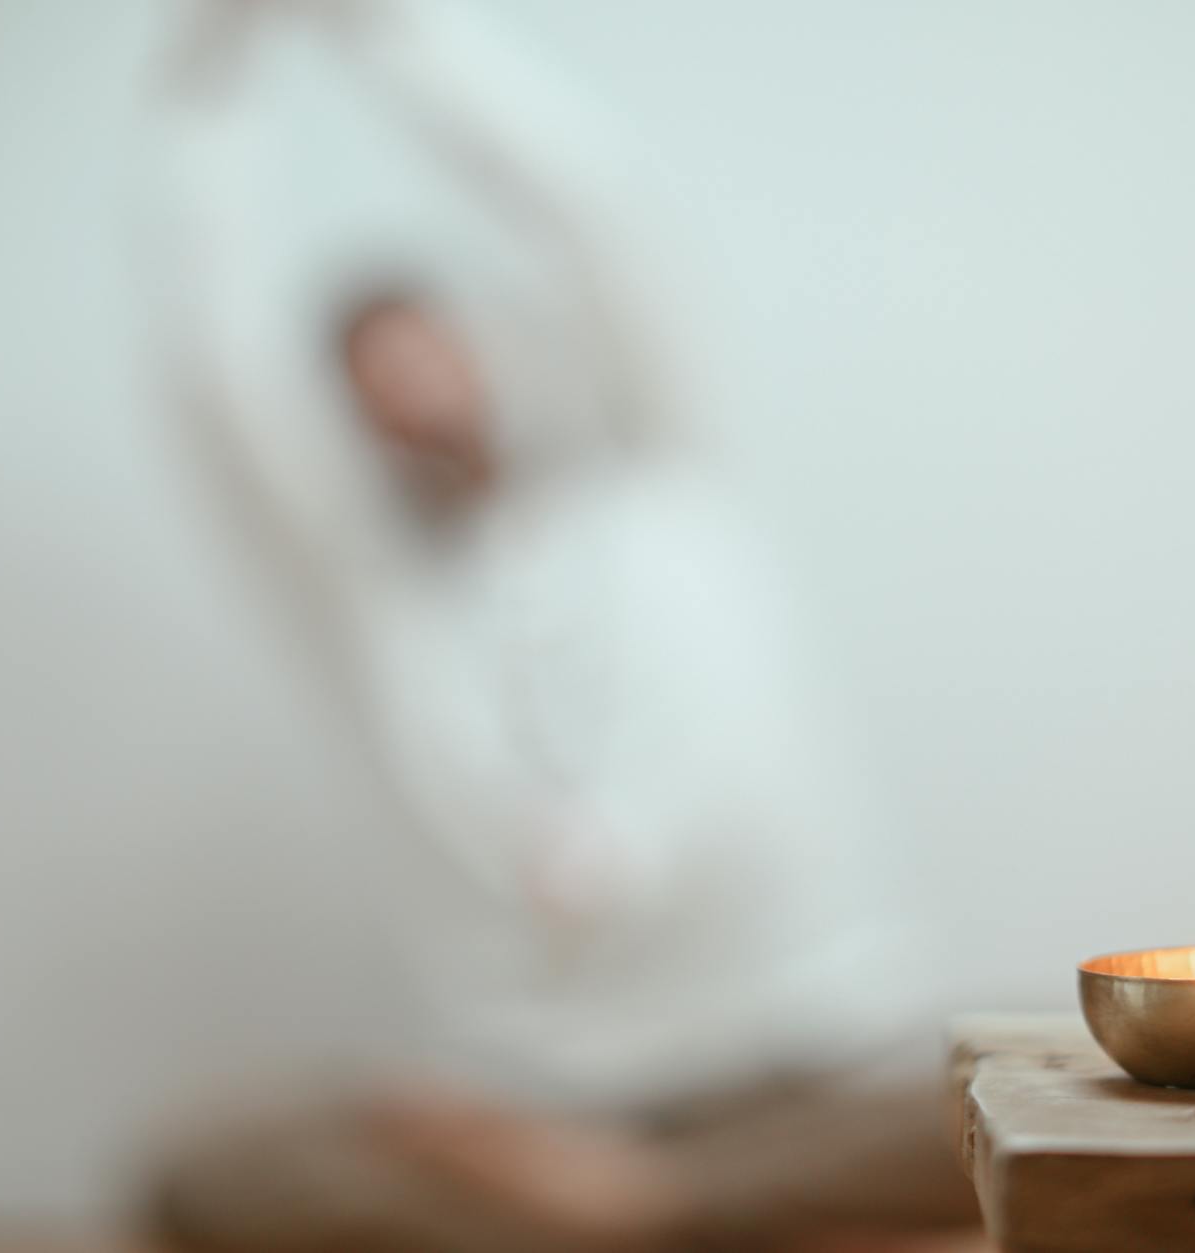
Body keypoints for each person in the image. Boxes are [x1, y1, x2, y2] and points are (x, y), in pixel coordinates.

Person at [146, 3, 980, 1248]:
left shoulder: (654, 468)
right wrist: (203, 76)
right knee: (206, 1174)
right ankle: (634, 1205)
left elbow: (599, 213)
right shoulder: (371, 593)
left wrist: (388, 33)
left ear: (493, 346)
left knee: (995, 1114)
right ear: (349, 420)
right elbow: (211, 376)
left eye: (429, 348)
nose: (414, 388)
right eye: (372, 376)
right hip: (549, 1105)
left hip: (812, 1059)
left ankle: (636, 1215)